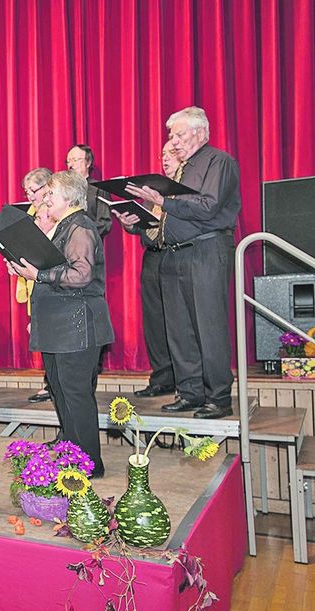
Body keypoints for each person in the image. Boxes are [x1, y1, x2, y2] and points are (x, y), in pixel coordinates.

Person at [126, 106, 240, 419]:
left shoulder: (219, 161)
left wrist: (165, 201)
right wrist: (138, 219)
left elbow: (208, 206)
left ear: (200, 132)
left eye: (178, 134)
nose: (173, 142)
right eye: (171, 136)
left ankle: (218, 396)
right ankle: (189, 392)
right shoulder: (183, 169)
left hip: (206, 251)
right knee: (179, 329)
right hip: (173, 252)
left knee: (208, 326)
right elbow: (168, 217)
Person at [7, 171, 114, 476]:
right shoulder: (61, 227)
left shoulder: (80, 226)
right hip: (59, 325)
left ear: (69, 197)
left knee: (75, 392)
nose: (46, 198)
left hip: (76, 326)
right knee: (59, 388)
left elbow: (81, 275)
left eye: (51, 193)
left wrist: (37, 275)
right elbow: (55, 267)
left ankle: (89, 463)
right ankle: (72, 452)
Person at [113, 144, 181, 399]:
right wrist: (130, 224)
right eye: (162, 156)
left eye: (170, 155)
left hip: (176, 256)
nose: (165, 160)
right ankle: (162, 377)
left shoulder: (185, 191)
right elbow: (146, 225)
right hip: (152, 258)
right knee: (154, 321)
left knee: (179, 322)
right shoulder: (153, 190)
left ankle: (186, 380)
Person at [14, 168, 55, 403]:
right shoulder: (30, 213)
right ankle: (49, 382)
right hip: (35, 282)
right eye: (26, 191)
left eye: (33, 190)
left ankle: (52, 383)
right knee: (41, 333)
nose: (29, 195)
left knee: (50, 335)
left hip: (50, 283)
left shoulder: (52, 213)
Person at [66, 144, 112, 237]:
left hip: (89, 245)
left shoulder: (99, 188)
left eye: (75, 160)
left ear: (88, 162)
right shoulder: (64, 189)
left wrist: (81, 229)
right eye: (68, 161)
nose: (71, 165)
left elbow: (105, 224)